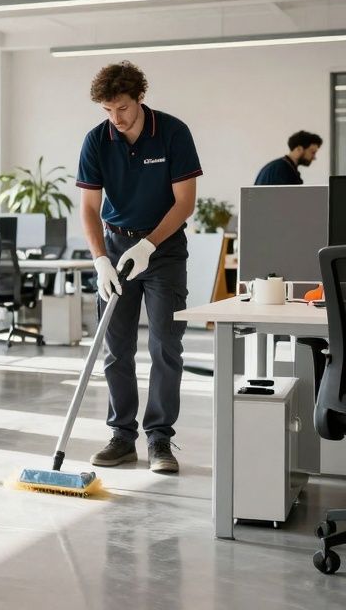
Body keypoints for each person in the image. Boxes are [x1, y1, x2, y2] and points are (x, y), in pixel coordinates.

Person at [75, 60, 201, 475]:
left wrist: (149, 244)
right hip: (115, 247)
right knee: (116, 348)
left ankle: (159, 438)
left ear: (140, 97)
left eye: (123, 108)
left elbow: (185, 203)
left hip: (164, 249)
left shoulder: (173, 132)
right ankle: (122, 437)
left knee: (165, 345)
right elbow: (89, 208)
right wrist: (100, 260)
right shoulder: (97, 141)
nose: (116, 118)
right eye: (108, 110)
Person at [254, 130, 322, 185]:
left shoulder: (281, 167)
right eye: (313, 152)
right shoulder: (281, 170)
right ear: (299, 149)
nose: (314, 158)